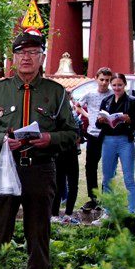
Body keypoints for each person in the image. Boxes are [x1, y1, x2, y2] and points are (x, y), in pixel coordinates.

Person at [0, 29, 78, 269]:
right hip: (5, 170)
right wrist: (2, 140)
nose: (27, 58)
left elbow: (72, 132)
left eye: (33, 53)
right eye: (21, 53)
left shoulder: (56, 92)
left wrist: (50, 138)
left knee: (38, 240)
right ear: (13, 58)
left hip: (40, 170)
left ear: (42, 57)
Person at [96, 72, 135, 217]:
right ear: (111, 85)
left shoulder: (132, 101)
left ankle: (132, 211)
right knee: (107, 178)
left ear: (125, 85)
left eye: (120, 85)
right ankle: (108, 211)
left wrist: (129, 120)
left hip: (125, 141)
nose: (117, 88)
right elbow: (98, 124)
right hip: (108, 140)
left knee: (128, 177)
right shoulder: (106, 101)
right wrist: (101, 120)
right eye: (114, 85)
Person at [75, 67, 113, 212]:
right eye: (102, 79)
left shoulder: (112, 94)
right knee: (91, 166)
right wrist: (88, 115)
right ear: (96, 79)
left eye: (107, 80)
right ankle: (93, 198)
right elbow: (78, 106)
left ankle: (106, 197)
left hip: (107, 134)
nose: (104, 83)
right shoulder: (90, 94)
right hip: (93, 134)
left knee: (108, 167)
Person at [51, 91, 82, 224]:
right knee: (58, 184)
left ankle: (68, 214)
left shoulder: (73, 115)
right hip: (58, 152)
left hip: (71, 152)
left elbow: (78, 135)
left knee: (73, 184)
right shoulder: (53, 114)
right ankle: (54, 214)